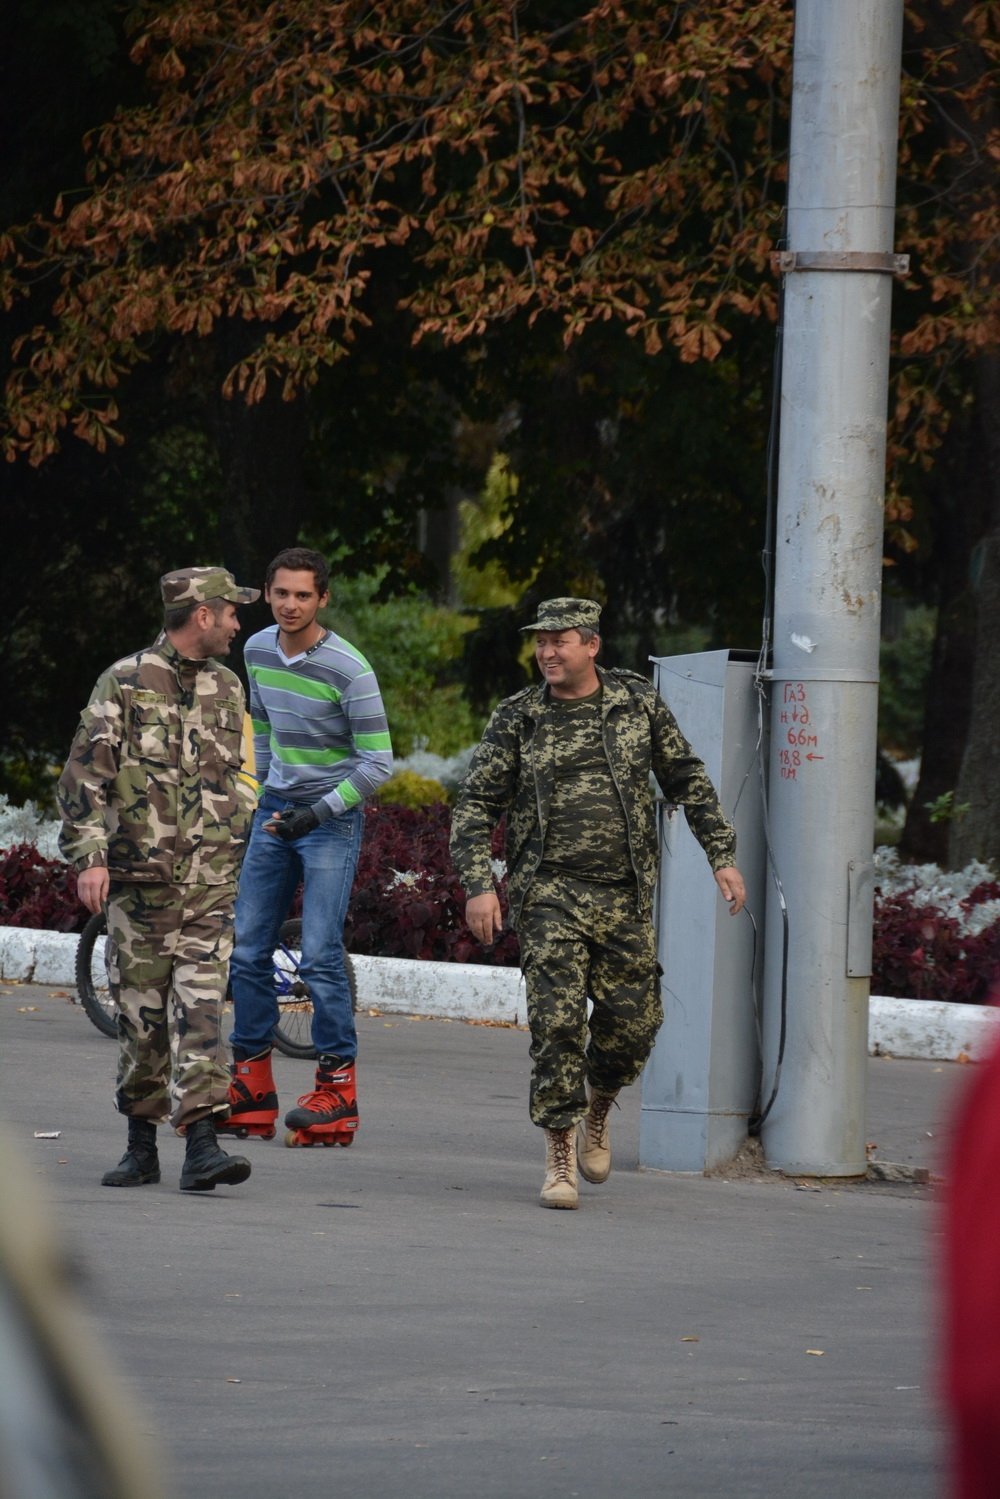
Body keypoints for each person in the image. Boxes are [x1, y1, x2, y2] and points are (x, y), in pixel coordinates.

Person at [450, 597, 746, 1210]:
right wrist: (480, 883)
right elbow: (476, 805)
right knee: (556, 1026)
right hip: (549, 895)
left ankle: (600, 1105)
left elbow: (686, 777)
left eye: (561, 640)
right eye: (541, 641)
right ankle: (560, 1157)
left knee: (634, 1027)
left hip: (624, 896)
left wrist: (721, 853)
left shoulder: (635, 703)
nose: (548, 652)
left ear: (592, 645)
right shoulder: (519, 717)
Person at [58, 567, 261, 1193]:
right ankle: (140, 1145)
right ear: (202, 614)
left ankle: (202, 1145)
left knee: (201, 1008)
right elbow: (82, 776)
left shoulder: (228, 685)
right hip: (141, 888)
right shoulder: (123, 681)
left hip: (210, 884)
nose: (237, 622)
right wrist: (89, 855)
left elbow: (247, 767)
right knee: (143, 1018)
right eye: (230, 611)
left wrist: (243, 814)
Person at [221, 547, 393, 1146]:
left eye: (303, 595)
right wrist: (267, 789)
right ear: (266, 594)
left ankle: (336, 1093)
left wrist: (314, 812)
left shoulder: (349, 669)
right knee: (246, 952)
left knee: (319, 955)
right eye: (280, 593)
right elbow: (262, 720)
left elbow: (378, 764)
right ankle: (250, 1087)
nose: (290, 605)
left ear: (322, 599)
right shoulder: (258, 649)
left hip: (330, 818)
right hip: (276, 811)